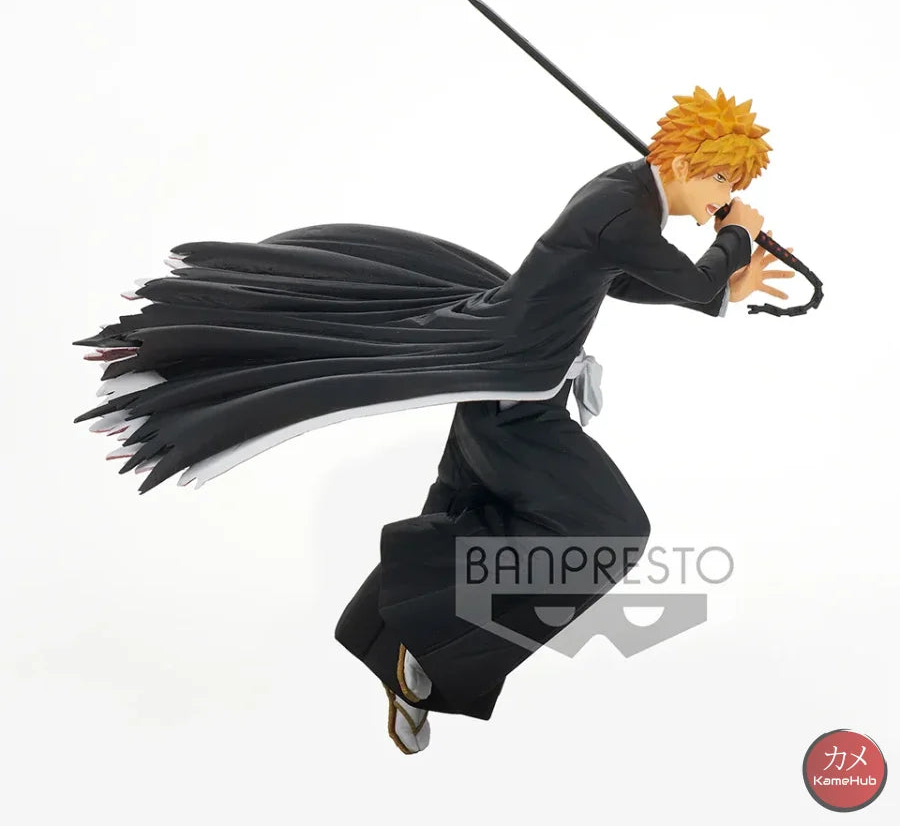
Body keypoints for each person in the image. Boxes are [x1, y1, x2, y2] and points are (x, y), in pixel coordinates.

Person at [73, 86, 789, 754]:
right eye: (722, 182)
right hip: (513, 402)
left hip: (516, 389)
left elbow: (628, 279)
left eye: (733, 189)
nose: (724, 199)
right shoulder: (623, 209)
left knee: (488, 517)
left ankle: (392, 630)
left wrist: (724, 288)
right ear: (687, 164)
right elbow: (686, 274)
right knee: (613, 534)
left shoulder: (629, 198)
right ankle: (418, 634)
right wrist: (737, 240)